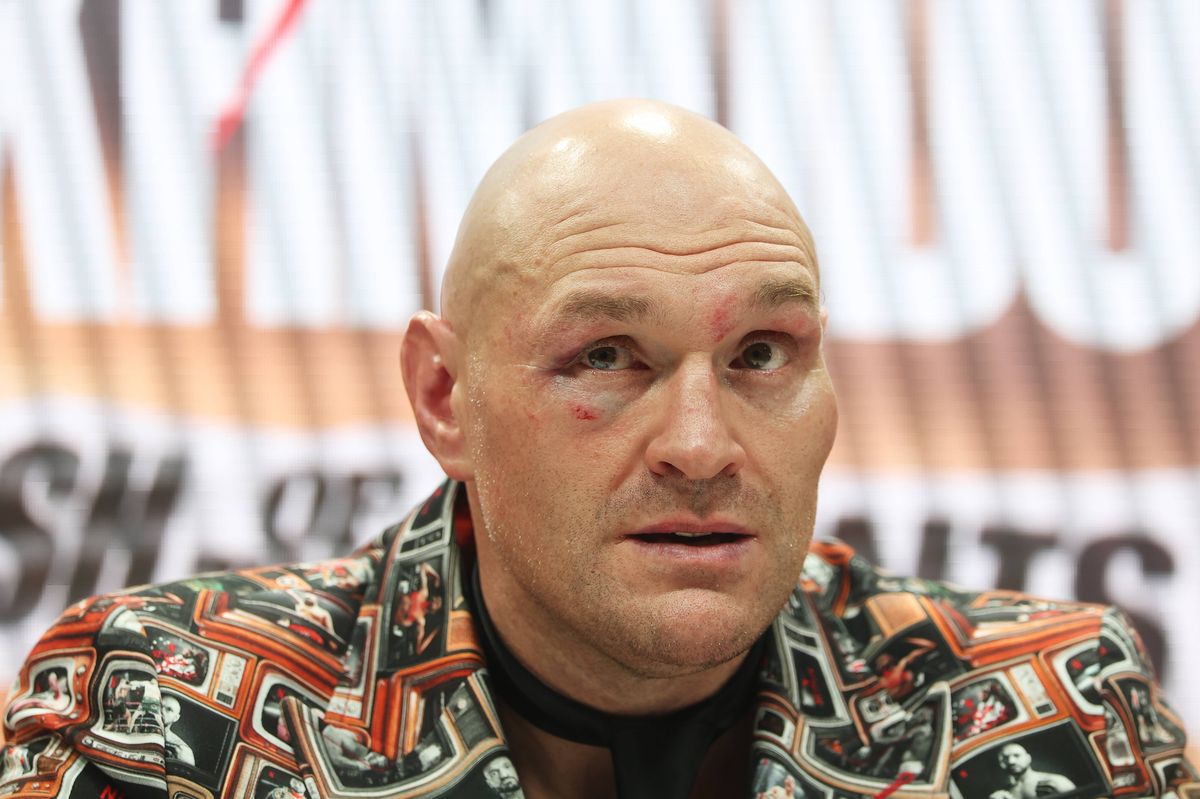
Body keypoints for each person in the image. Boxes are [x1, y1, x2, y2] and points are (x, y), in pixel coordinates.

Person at [0, 100, 1193, 799]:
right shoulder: (168, 720)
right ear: (444, 397)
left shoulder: (1050, 715)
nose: (701, 446)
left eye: (761, 354)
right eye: (607, 357)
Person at [989, 743, 1075, 799]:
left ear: (1028, 758)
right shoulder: (1005, 793)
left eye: (1016, 755)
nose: (1011, 761)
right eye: (1005, 758)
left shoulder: (1055, 781)